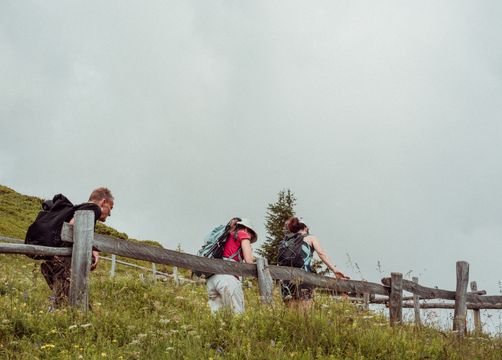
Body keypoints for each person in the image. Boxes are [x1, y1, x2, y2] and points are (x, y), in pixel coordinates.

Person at [40, 187, 114, 308]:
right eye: (110, 207)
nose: (110, 213)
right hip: (64, 262)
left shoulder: (79, 208)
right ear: (103, 202)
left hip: (54, 259)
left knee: (63, 300)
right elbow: (73, 225)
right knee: (73, 302)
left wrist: (93, 250)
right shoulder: (94, 209)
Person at [279, 217, 348, 307]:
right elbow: (321, 253)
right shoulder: (310, 238)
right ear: (305, 228)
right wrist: (335, 270)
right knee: (305, 312)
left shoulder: (285, 241)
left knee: (291, 313)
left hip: (286, 279)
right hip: (304, 277)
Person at [206, 218, 257, 314]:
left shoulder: (227, 236)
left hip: (212, 277)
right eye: (251, 234)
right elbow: (249, 261)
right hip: (228, 277)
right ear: (246, 229)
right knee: (237, 314)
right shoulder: (243, 233)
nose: (250, 237)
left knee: (218, 319)